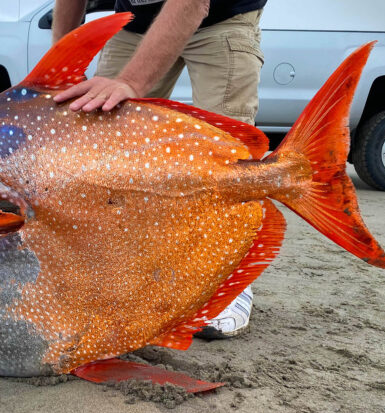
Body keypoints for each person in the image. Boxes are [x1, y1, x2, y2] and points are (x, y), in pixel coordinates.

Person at [51, 0, 266, 338]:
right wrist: (62, 68)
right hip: (138, 23)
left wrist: (132, 83)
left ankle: (228, 282)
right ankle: (122, 277)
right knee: (101, 145)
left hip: (223, 14)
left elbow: (192, 3)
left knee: (228, 152)